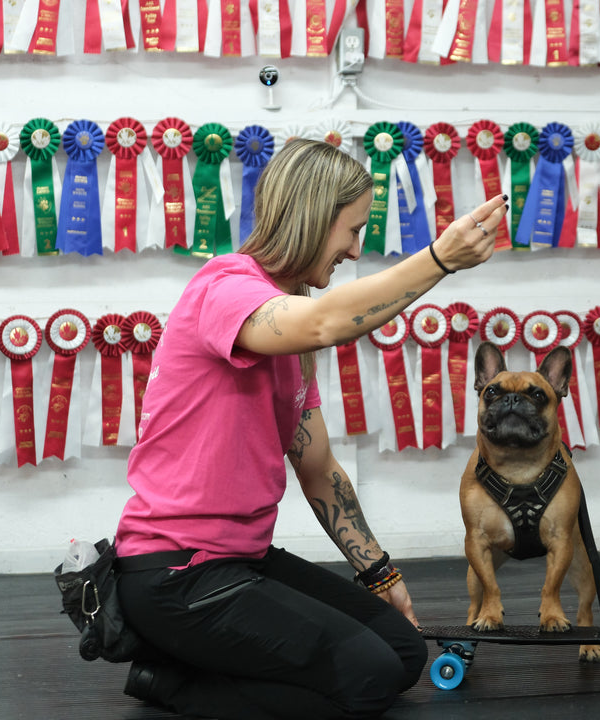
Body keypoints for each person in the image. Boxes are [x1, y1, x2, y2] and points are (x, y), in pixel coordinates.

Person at [113, 139, 509, 719]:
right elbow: (324, 324)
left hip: (241, 559)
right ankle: (166, 678)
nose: (354, 250)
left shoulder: (288, 340)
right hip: (177, 575)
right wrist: (440, 259)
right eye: (350, 231)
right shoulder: (224, 289)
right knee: (368, 680)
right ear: (310, 219)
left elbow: (318, 467)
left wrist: (380, 574)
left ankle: (206, 661)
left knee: (401, 652)